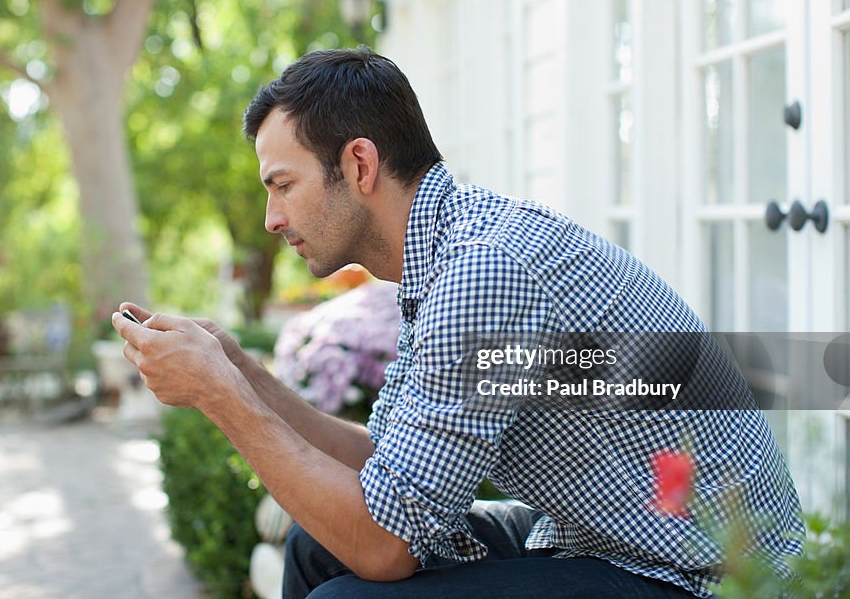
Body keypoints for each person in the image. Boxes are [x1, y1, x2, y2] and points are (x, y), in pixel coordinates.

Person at [112, 47, 803, 598]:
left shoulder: (483, 268)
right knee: (312, 547)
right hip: (607, 539)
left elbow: (386, 545)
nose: (272, 219)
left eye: (283, 185)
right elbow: (390, 475)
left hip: (699, 574)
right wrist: (246, 374)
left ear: (358, 164)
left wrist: (219, 397)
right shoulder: (444, 256)